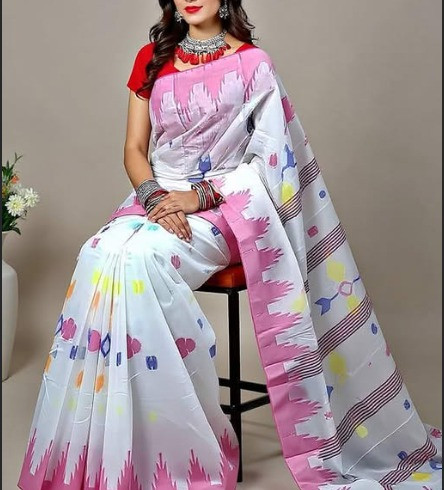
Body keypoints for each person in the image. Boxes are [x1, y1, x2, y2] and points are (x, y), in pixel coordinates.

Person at [17, 1, 442, 489]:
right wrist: (157, 200)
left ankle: (180, 454)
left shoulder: (253, 64)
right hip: (154, 202)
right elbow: (134, 149)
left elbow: (272, 160)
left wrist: (196, 197)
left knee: (137, 261)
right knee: (98, 254)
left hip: (224, 210)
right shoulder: (151, 58)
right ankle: (104, 451)